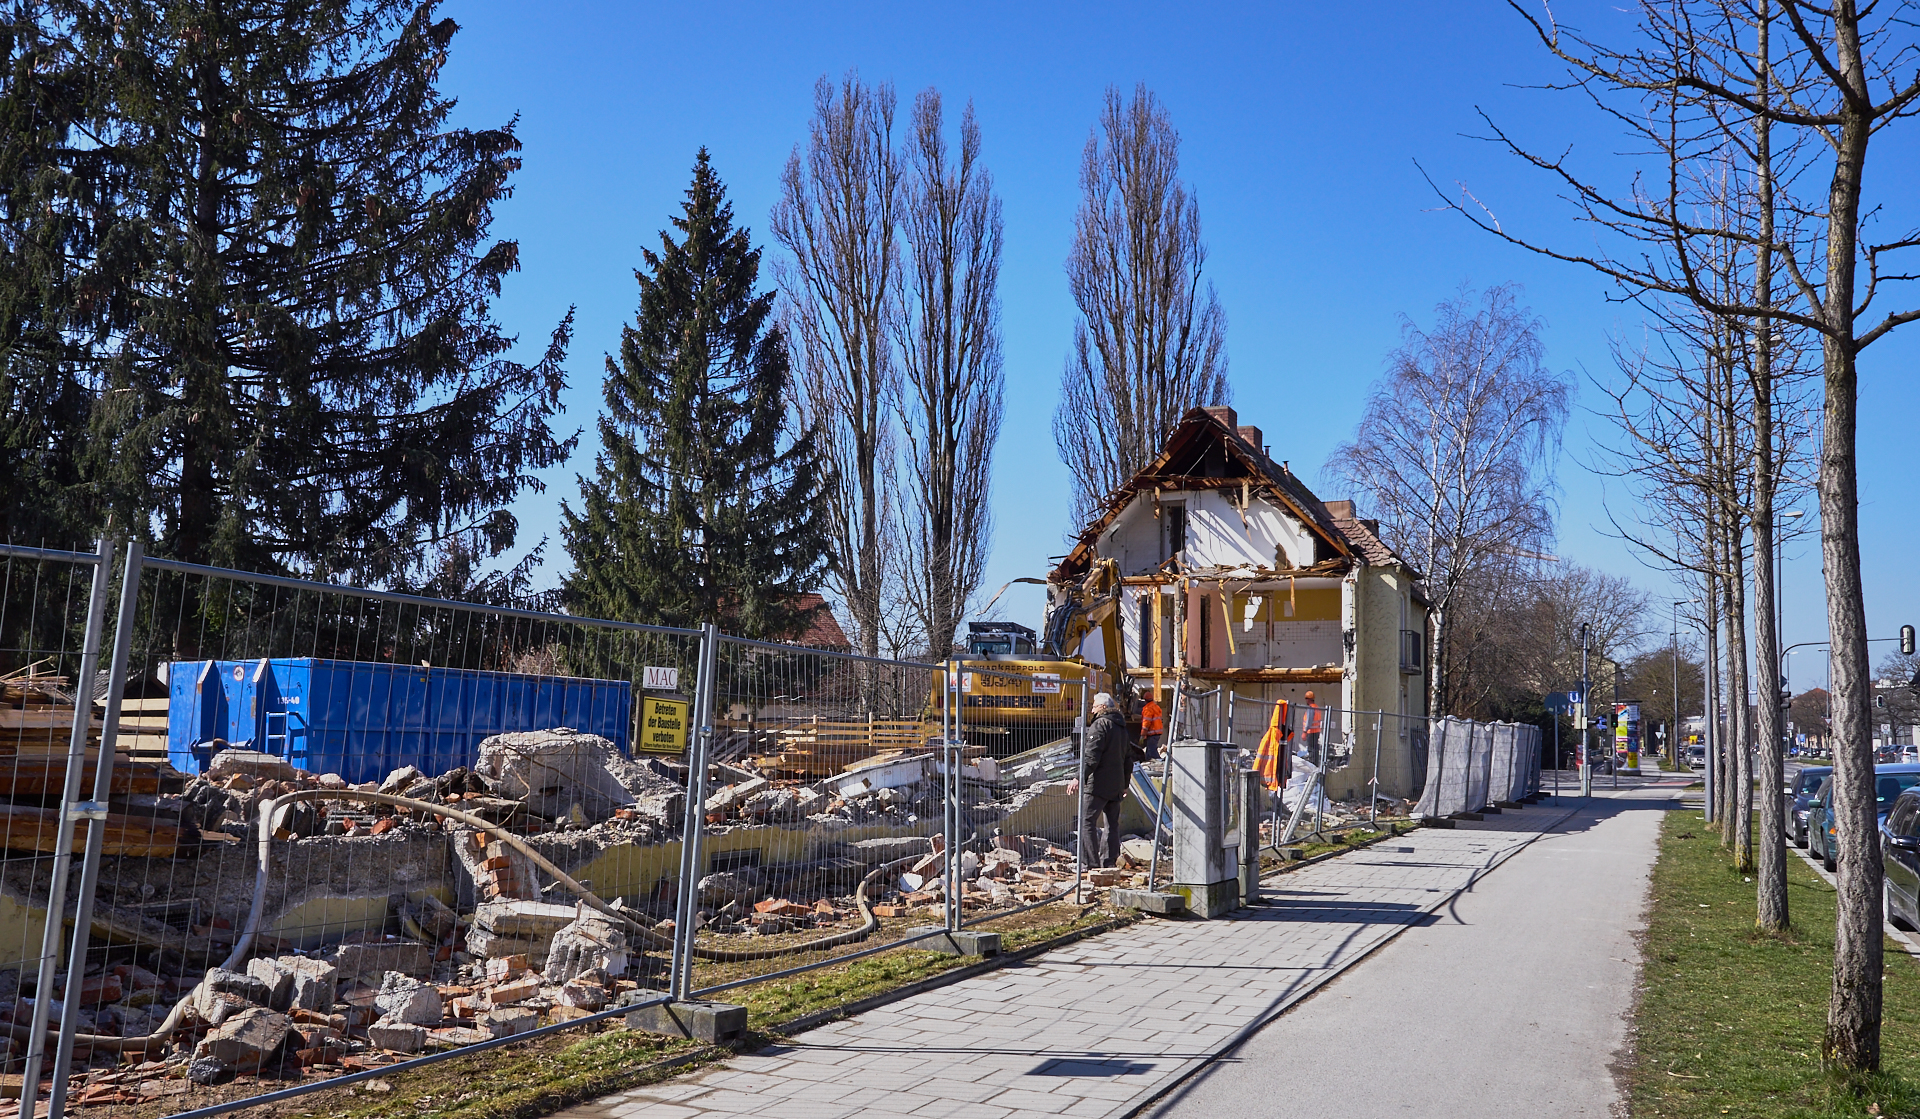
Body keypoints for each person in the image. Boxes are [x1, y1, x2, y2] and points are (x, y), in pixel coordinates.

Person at [1067, 691, 1130, 869]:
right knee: (1111, 824)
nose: (1092, 709)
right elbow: (1128, 759)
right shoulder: (1121, 727)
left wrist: (1079, 778)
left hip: (1098, 784)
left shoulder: (1100, 725)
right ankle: (1109, 863)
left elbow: (1091, 757)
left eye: (1094, 706)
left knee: (1086, 821)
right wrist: (1125, 784)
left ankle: (1091, 864)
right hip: (1116, 784)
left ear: (1102, 707)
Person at [1138, 692, 1165, 761]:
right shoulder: (1156, 707)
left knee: (1152, 750)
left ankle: (1160, 761)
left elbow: (1146, 723)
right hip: (1157, 732)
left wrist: (1142, 735)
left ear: (1145, 700)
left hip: (1152, 732)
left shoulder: (1147, 709)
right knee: (1149, 751)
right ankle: (1147, 760)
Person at [1301, 690, 1324, 766]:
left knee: (1311, 750)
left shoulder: (1311, 708)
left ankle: (1312, 765)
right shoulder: (1317, 707)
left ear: (1308, 699)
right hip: (1316, 731)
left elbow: (1309, 721)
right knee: (1315, 749)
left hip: (1311, 732)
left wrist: (1304, 732)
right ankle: (1315, 764)